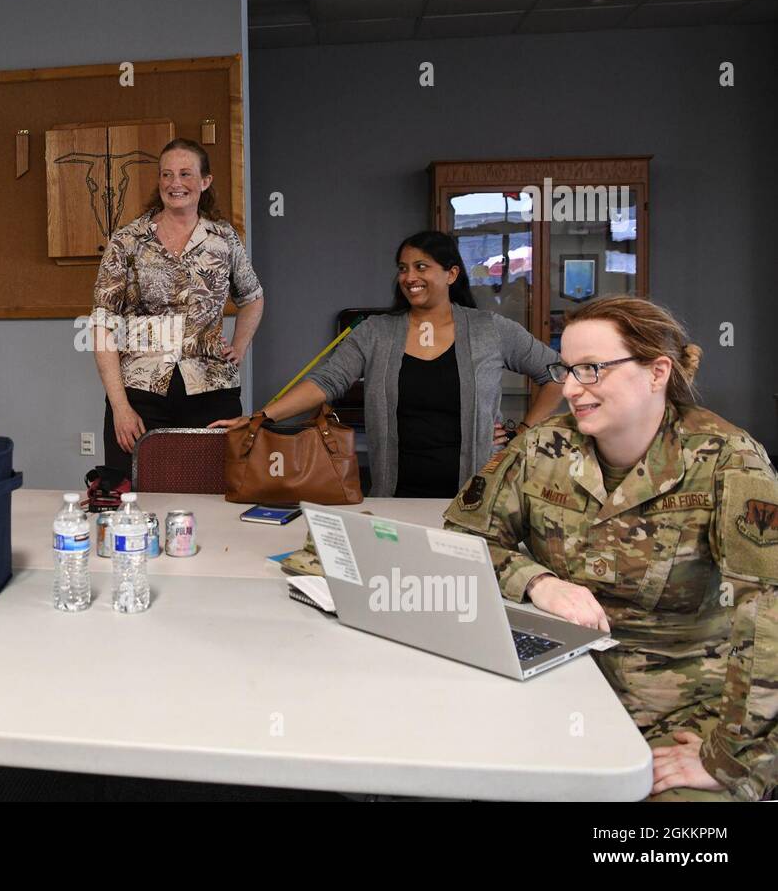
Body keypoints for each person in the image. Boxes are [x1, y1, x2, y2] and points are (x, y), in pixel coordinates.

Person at [444, 296, 778, 801]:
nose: (571, 388)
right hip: (551, 683)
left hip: (681, 708)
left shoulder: (728, 462)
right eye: (567, 369)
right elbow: (462, 538)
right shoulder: (542, 448)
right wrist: (538, 582)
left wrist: (734, 759)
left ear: (657, 371)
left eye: (592, 370)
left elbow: (768, 612)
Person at [211, 230, 564, 498]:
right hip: (395, 495)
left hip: (476, 496)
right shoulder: (377, 332)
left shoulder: (490, 329)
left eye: (422, 267)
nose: (410, 277)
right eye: (403, 268)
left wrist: (524, 431)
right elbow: (327, 380)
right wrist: (262, 416)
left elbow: (556, 373)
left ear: (451, 274)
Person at [90, 138, 264, 478]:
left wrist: (239, 348)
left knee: (214, 495)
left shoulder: (224, 239)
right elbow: (102, 325)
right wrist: (120, 406)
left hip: (212, 391)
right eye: (166, 175)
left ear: (205, 182)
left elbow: (253, 297)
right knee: (133, 495)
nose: (175, 183)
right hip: (140, 394)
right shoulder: (128, 240)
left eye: (185, 174)